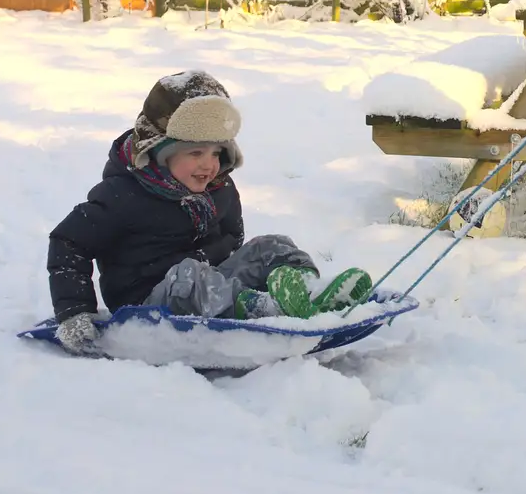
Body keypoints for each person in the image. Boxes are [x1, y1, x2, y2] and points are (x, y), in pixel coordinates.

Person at [46, 70, 370, 355]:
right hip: (146, 303)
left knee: (270, 245)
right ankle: (264, 308)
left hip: (209, 286)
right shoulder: (121, 195)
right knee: (189, 275)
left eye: (216, 152)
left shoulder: (218, 189)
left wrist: (245, 265)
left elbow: (233, 237)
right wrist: (75, 311)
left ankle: (308, 292)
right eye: (196, 152)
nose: (209, 164)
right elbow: (68, 242)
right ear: (160, 154)